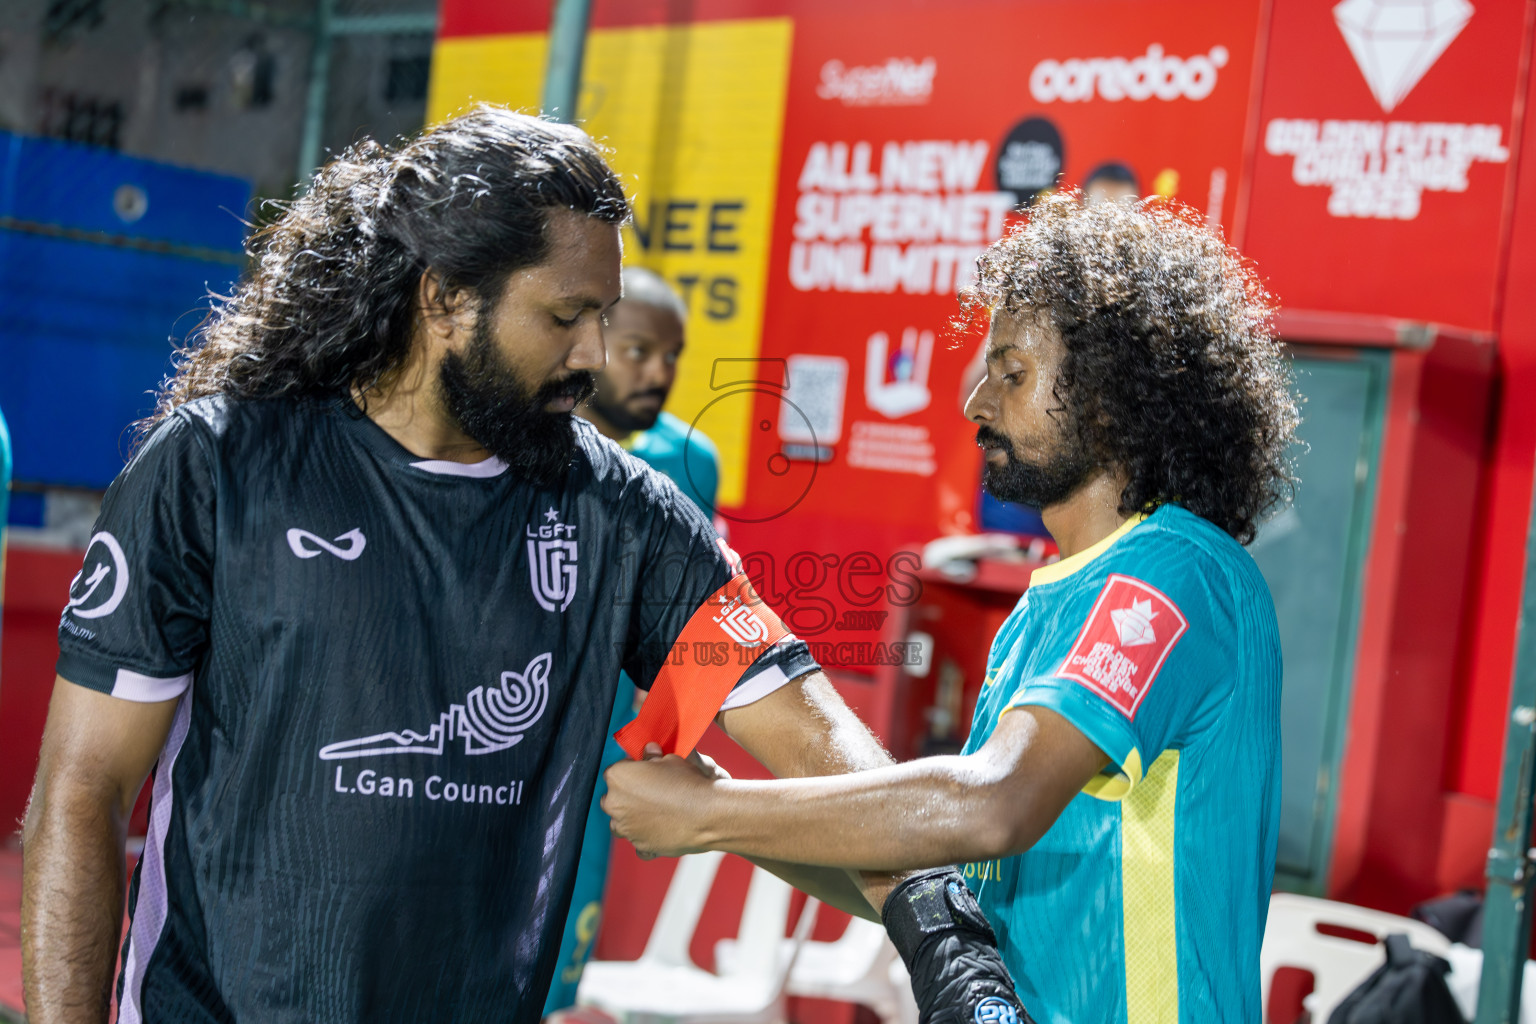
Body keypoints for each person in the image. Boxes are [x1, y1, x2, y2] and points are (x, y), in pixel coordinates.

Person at [20, 106, 1025, 1024]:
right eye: (564, 315)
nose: (595, 354)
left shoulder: (624, 523)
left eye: (605, 314)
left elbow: (815, 746)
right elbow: (83, 786)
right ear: (444, 299)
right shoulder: (220, 469)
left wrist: (954, 956)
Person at [604, 191, 1301, 1022]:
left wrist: (711, 815)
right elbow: (924, 875)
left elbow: (990, 804)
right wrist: (726, 816)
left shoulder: (1174, 574)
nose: (977, 404)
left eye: (1012, 373)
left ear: (1114, 397)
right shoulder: (1043, 614)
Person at [544, 269, 720, 1014]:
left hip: (601, 759)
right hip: (505, 736)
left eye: (673, 355)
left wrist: (667, 744)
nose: (659, 372)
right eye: (641, 349)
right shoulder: (527, 441)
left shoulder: (691, 463)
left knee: (556, 979)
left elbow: (703, 616)